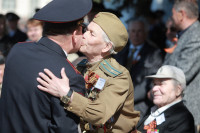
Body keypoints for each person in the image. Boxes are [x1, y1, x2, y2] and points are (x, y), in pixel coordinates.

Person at [37, 12, 140, 133]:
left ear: (106, 47)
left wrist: (66, 94)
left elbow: (99, 114)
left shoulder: (118, 76)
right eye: (86, 30)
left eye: (92, 34)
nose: (84, 34)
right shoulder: (81, 66)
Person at [0, 0, 92, 132]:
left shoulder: (17, 50)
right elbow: (65, 129)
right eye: (82, 30)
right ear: (75, 33)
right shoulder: (69, 75)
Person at [115, 17, 163, 120]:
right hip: (115, 102)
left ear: (146, 33)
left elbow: (149, 82)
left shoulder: (154, 54)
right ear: (128, 32)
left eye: (139, 31)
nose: (136, 35)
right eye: (133, 31)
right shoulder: (119, 52)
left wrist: (125, 99)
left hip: (139, 106)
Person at [163, 0, 200, 129]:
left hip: (187, 111)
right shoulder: (185, 34)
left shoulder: (196, 35)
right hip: (175, 107)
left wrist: (158, 87)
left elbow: (182, 73)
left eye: (173, 13)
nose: (171, 18)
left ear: (181, 14)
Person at [137, 65, 195, 133]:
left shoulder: (182, 119)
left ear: (178, 90)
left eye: (161, 84)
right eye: (155, 84)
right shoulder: (154, 111)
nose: (154, 89)